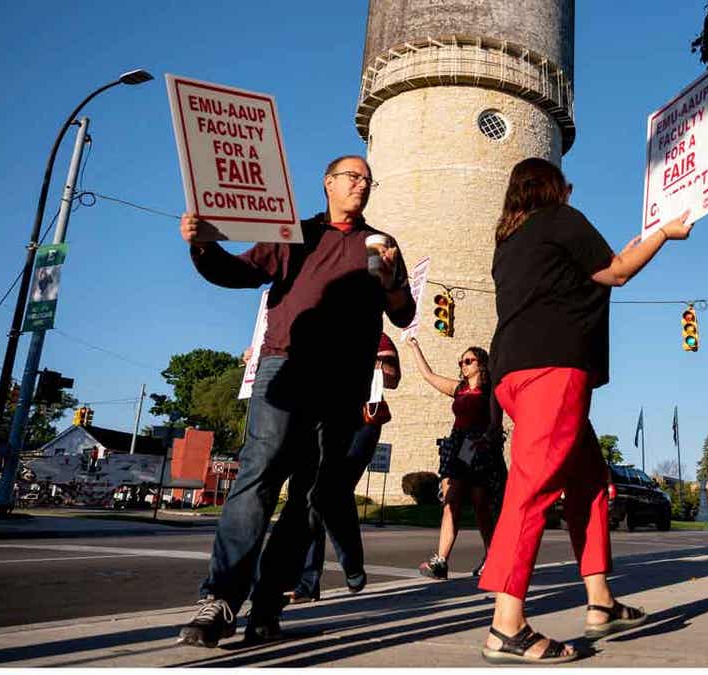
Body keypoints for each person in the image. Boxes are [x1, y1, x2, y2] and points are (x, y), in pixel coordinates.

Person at [176, 155, 415, 648]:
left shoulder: (383, 244)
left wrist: (390, 281)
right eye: (352, 177)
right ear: (328, 183)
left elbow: (405, 311)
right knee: (258, 475)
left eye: (368, 179)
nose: (361, 185)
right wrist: (201, 245)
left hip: (345, 381)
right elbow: (240, 273)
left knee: (310, 499)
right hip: (286, 365)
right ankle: (220, 600)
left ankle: (268, 605)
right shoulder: (294, 233)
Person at [477, 158, 692, 664]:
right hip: (553, 370)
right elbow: (615, 271)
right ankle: (507, 625)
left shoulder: (508, 243)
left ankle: (600, 601)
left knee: (591, 481)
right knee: (532, 490)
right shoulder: (560, 219)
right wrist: (663, 233)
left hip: (511, 371)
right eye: (566, 186)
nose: (570, 192)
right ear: (555, 188)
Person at [288, 333, 401, 603]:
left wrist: (372, 363)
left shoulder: (378, 338)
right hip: (321, 421)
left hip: (360, 423)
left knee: (334, 490)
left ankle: (351, 564)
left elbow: (393, 378)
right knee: (312, 498)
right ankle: (306, 583)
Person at [406, 338, 505, 580]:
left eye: (468, 361)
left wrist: (488, 439)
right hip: (458, 446)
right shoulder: (459, 389)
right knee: (451, 503)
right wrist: (415, 347)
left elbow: (495, 424)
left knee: (481, 504)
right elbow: (429, 376)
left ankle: (492, 557)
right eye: (461, 361)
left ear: (481, 364)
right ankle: (440, 562)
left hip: (479, 448)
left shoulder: (491, 392)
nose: (463, 365)